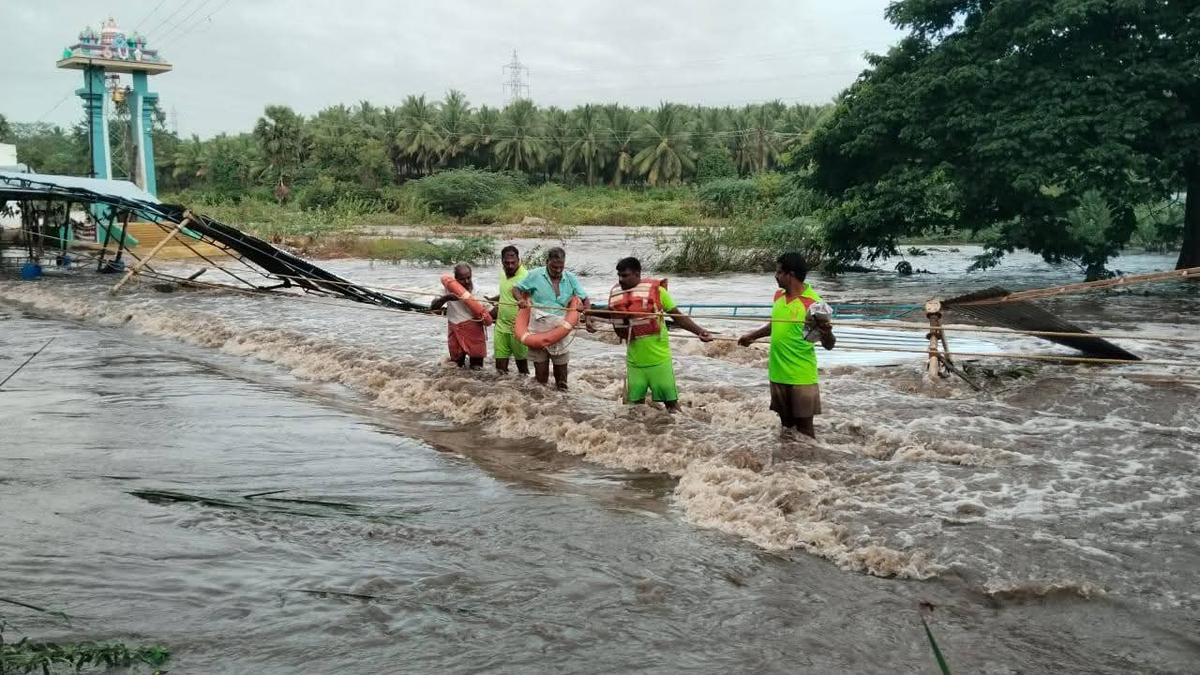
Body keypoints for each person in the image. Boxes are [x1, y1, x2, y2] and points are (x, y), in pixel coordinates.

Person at [738, 252, 835, 438]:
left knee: (805, 432)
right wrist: (751, 337)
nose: (775, 276)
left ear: (790, 274)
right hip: (777, 373)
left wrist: (827, 333)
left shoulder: (814, 305)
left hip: (801, 377)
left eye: (779, 272)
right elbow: (775, 325)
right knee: (786, 429)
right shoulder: (778, 296)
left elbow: (829, 345)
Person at [607, 257, 712, 411]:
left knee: (672, 406)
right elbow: (610, 315)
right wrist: (589, 318)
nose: (621, 280)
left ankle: (680, 426)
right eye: (619, 276)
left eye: (625, 275)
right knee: (632, 409)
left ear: (637, 274)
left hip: (659, 361)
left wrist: (700, 332)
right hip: (634, 362)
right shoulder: (617, 295)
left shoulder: (658, 291)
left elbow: (678, 317)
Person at [512, 246, 595, 389]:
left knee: (562, 379)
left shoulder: (570, 278)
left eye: (561, 267)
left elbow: (585, 299)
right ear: (547, 262)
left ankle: (563, 401)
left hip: (560, 330)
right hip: (537, 330)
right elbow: (516, 288)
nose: (558, 270)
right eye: (554, 267)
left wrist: (587, 319)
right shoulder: (535, 275)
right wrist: (520, 299)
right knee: (541, 379)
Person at [430, 263, 487, 370]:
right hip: (455, 328)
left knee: (477, 367)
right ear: (455, 279)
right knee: (456, 366)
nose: (466, 281)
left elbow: (486, 313)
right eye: (462, 279)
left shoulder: (477, 290)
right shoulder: (447, 288)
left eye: (468, 278)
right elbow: (433, 307)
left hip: (474, 329)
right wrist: (446, 298)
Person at [490, 245, 529, 375]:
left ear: (519, 260)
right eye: (507, 263)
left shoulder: (526, 277)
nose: (510, 266)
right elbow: (505, 294)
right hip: (500, 326)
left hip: (518, 328)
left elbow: (534, 300)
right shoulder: (502, 273)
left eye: (513, 262)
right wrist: (493, 299)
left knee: (523, 370)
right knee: (500, 370)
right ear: (502, 261)